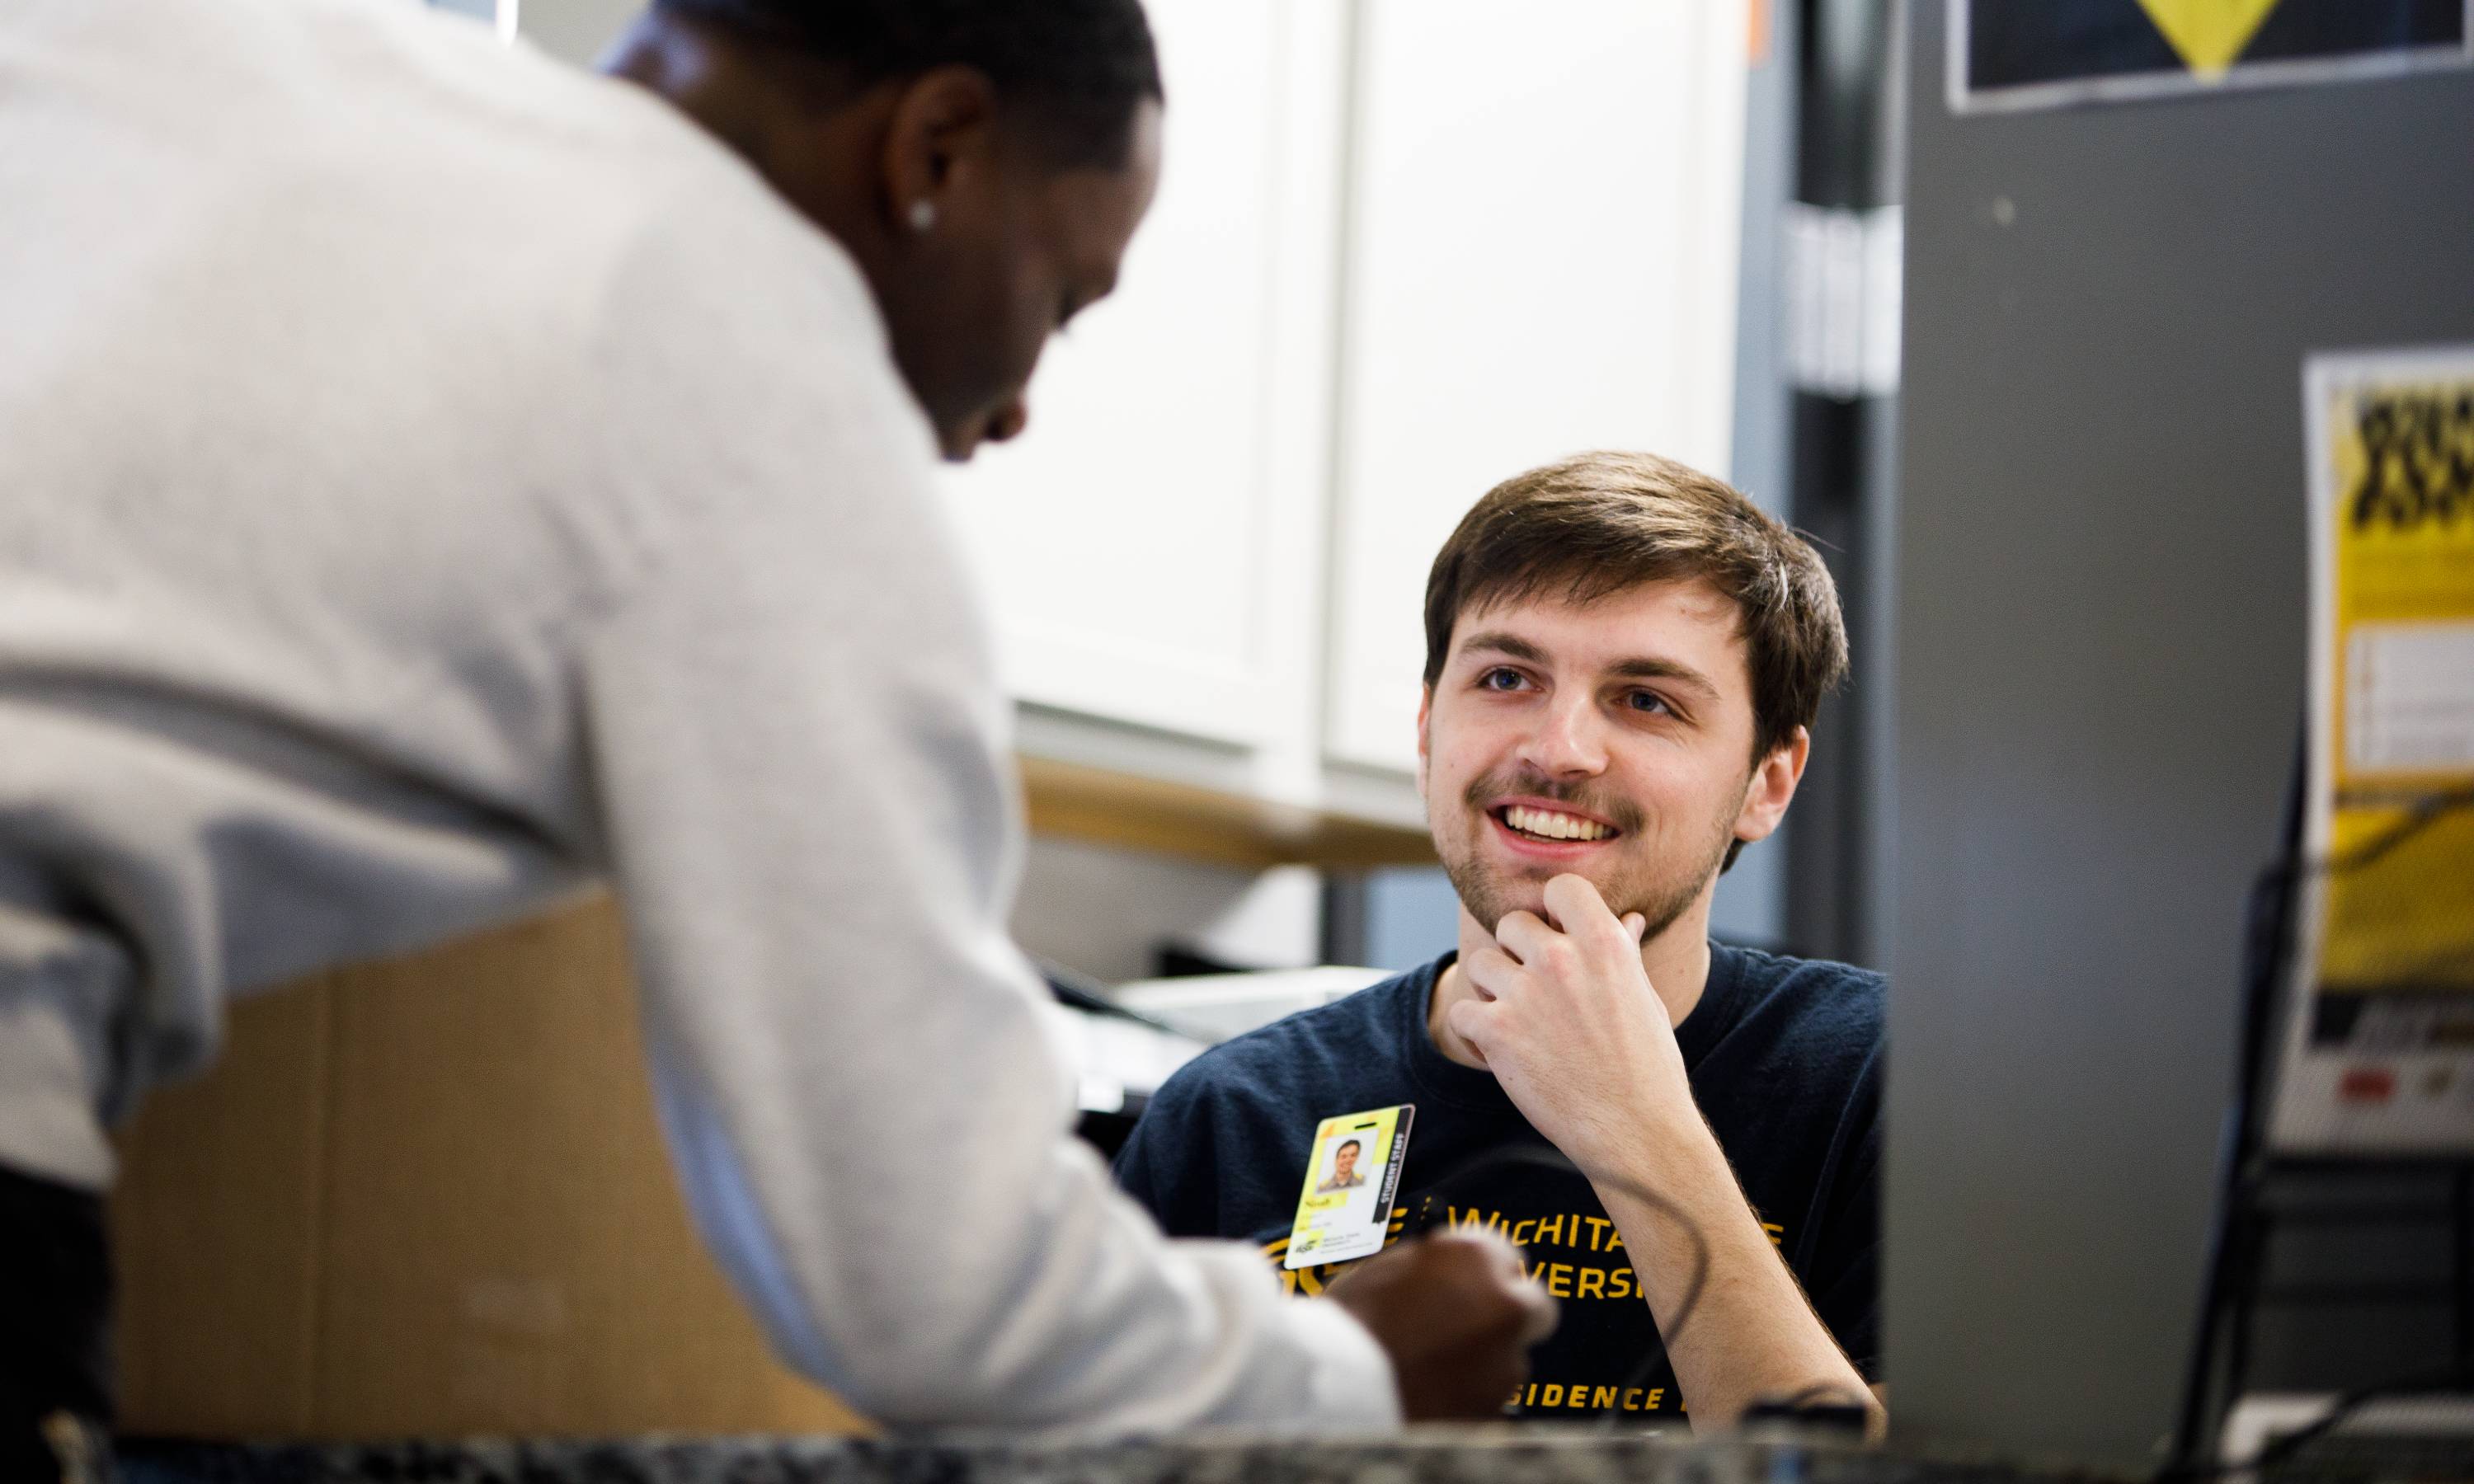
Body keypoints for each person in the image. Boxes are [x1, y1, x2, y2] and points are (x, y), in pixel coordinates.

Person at [0, 0, 1553, 1472]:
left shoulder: (213, 62)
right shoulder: (773, 396)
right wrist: (1357, 1374)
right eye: (1063, 301)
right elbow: (934, 1285)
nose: (1015, 409)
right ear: (936, 148)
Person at [1116, 452, 1886, 1428]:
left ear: (1769, 782)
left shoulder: (1884, 1085)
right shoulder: (1230, 1117)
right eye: (1508, 676)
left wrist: (1640, 1127)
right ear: (1431, 726)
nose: (1559, 748)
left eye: (1647, 699)